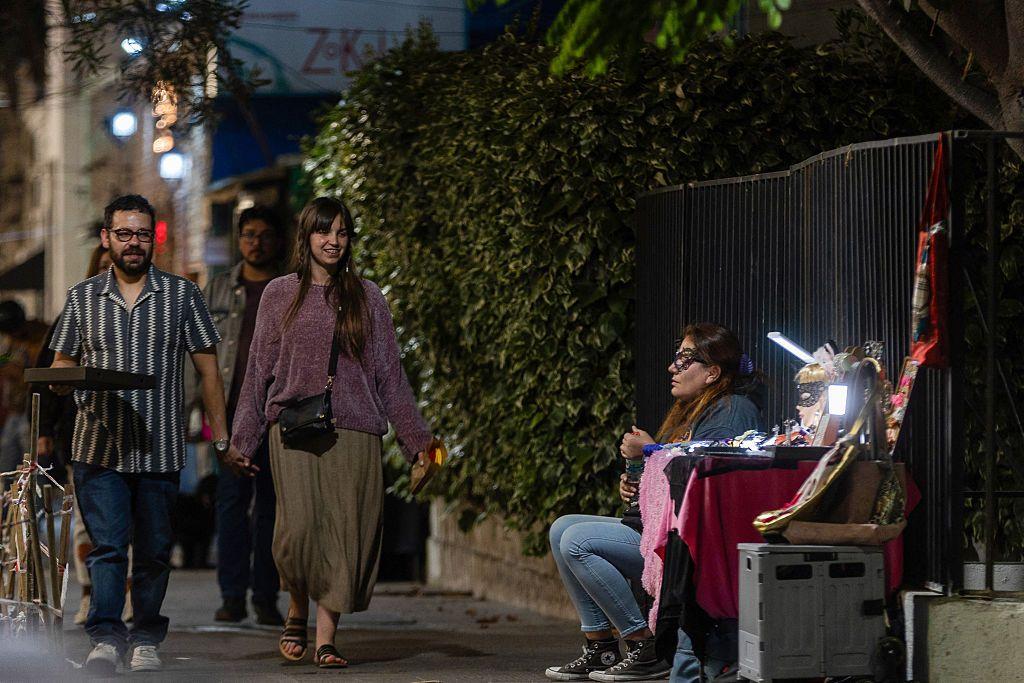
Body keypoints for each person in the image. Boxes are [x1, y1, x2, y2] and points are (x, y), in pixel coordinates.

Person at [48, 194, 247, 675]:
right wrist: (62, 379)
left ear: (151, 238)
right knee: (109, 547)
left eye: (141, 234)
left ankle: (145, 638)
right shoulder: (81, 298)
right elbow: (61, 363)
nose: (133, 243)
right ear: (106, 238)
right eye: (124, 234)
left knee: (155, 552)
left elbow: (209, 371)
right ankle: (105, 637)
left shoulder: (182, 296)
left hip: (159, 445)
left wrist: (222, 438)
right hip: (98, 446)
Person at [231, 196, 433, 669]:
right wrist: (243, 438)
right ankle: (296, 607)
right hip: (295, 429)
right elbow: (259, 370)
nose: (333, 242)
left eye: (342, 233)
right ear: (307, 236)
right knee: (297, 533)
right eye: (325, 232)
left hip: (357, 430)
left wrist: (418, 444)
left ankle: (326, 638)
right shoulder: (281, 293)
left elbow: (390, 377)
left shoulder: (368, 296)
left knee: (345, 536)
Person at [545, 322, 762, 682]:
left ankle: (646, 646)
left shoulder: (732, 409)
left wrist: (650, 451)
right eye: (677, 357)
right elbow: (668, 473)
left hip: (688, 542)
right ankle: (601, 646)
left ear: (712, 373)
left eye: (685, 359)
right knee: (561, 528)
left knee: (577, 541)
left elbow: (707, 468)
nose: (672, 367)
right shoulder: (694, 409)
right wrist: (636, 479)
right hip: (657, 528)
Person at [186, 206, 285, 624]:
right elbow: (198, 352)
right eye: (248, 234)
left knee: (272, 508)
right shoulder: (219, 289)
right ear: (238, 239)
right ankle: (231, 596)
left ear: (276, 239)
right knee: (230, 504)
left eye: (263, 234)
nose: (255, 242)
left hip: (278, 412)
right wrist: (193, 410)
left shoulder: (290, 288)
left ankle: (265, 597)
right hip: (229, 413)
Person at [35, 244, 115, 625]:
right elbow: (47, 372)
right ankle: (87, 593)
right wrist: (45, 431)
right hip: (79, 432)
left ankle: (124, 595)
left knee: (123, 522)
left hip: (130, 434)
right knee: (84, 520)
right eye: (101, 267)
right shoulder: (75, 312)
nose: (107, 274)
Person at [0, 299, 49, 476]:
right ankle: (8, 501)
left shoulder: (38, 335)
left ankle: (34, 502)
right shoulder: (12, 340)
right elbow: (5, 357)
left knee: (31, 465)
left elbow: (40, 370)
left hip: (32, 408)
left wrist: (18, 370)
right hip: (15, 408)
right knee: (7, 462)